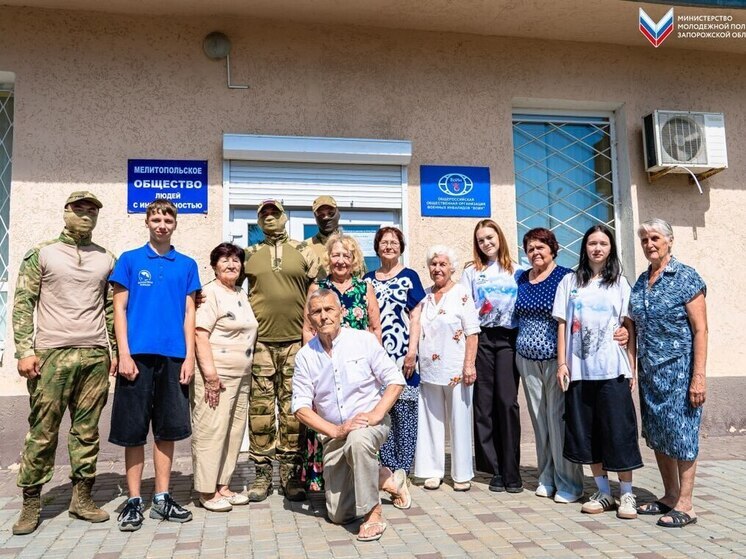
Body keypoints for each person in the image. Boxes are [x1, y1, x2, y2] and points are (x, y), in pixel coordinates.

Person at [11, 192, 116, 535]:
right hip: (51, 355)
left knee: (86, 432)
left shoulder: (106, 258)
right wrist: (24, 350)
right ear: (66, 212)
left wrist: (115, 351)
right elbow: (24, 302)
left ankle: (81, 498)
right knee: (43, 432)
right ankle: (31, 503)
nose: (85, 215)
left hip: (94, 355)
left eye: (92, 211)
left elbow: (111, 310)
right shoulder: (42, 253)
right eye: (79, 209)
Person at [109, 199, 201, 531]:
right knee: (133, 431)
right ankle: (134, 500)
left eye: (168, 220)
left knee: (167, 431)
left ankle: (162, 498)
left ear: (175, 224)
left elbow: (190, 313)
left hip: (174, 357)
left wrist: (189, 357)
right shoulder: (129, 260)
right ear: (147, 222)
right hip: (136, 357)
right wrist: (123, 353)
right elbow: (119, 310)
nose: (162, 225)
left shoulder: (187, 264)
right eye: (156, 219)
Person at [292, 289, 411, 542]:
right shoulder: (305, 356)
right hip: (335, 434)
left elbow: (395, 380)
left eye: (329, 309)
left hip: (369, 425)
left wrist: (376, 414)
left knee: (358, 441)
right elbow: (300, 408)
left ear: (341, 312)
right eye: (317, 312)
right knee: (338, 514)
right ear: (310, 318)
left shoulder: (363, 341)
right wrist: (336, 431)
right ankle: (384, 477)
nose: (324, 316)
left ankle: (373, 514)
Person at [553, 225, 642, 520]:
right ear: (585, 247)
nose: (597, 248)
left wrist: (632, 367)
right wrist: (562, 363)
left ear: (610, 248)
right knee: (587, 433)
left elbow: (629, 327)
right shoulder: (569, 281)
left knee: (619, 432)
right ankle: (603, 492)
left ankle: (626, 493)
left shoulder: (619, 283)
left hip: (613, 369)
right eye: (592, 243)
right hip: (580, 371)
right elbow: (562, 324)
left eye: (603, 243)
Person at [629, 218, 707, 528]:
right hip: (650, 373)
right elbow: (633, 323)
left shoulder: (686, 277)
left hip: (679, 372)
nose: (649, 244)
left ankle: (686, 505)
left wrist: (698, 376)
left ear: (670, 241)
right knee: (659, 434)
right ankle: (670, 495)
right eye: (645, 239)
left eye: (655, 238)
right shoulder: (641, 281)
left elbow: (701, 330)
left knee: (682, 435)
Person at [243, 199, 319, 502]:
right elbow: (230, 286)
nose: (270, 218)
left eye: (275, 213)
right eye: (264, 215)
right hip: (260, 344)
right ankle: (262, 475)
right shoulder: (249, 254)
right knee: (260, 412)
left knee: (292, 412)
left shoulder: (304, 251)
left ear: (284, 217)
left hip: (296, 344)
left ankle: (290, 475)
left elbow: (317, 290)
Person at [302, 233, 382, 491]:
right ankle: (329, 483)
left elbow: (375, 328)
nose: (340, 260)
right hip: (325, 364)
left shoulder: (364, 288)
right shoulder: (317, 288)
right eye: (335, 255)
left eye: (346, 256)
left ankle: (364, 482)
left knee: (358, 423)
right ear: (328, 258)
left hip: (357, 368)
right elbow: (308, 329)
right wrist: (311, 366)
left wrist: (375, 368)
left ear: (354, 259)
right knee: (327, 417)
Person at [514, 227, 584, 503]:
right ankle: (546, 477)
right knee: (539, 420)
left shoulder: (566, 277)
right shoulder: (522, 278)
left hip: (557, 359)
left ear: (553, 249)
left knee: (558, 421)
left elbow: (575, 315)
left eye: (540, 247)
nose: (535, 252)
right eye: (530, 248)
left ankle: (569, 483)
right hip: (526, 359)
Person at [192, 243, 258, 512]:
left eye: (236, 260)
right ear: (214, 266)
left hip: (242, 376)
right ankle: (206, 491)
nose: (231, 265)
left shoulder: (241, 293)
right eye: (224, 260)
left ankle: (223, 486)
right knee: (212, 431)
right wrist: (210, 375)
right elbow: (200, 334)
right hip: (217, 376)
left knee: (233, 431)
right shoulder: (209, 293)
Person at [460, 219, 523, 493]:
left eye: (490, 237)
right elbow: (464, 309)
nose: (486, 243)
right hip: (482, 339)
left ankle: (511, 470)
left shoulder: (518, 271)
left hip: (508, 339)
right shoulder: (471, 272)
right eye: (481, 240)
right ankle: (495, 470)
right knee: (484, 405)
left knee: (507, 403)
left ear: (500, 237)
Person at [414, 245, 480, 491]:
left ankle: (461, 474)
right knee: (430, 421)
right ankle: (432, 471)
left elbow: (472, 333)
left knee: (459, 421)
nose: (437, 268)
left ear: (452, 267)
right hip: (428, 369)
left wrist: (469, 364)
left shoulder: (462, 293)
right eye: (433, 264)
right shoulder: (424, 296)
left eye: (442, 264)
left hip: (456, 368)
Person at [364, 227, 425, 484]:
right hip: (376, 357)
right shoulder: (367, 279)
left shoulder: (410, 276)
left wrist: (412, 352)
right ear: (377, 247)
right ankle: (387, 469)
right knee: (382, 412)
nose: (389, 246)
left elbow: (416, 318)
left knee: (405, 412)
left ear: (401, 247)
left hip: (402, 355)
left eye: (394, 242)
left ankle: (404, 469)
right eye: (384, 242)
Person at [306, 195, 342, 278]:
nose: (326, 218)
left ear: (338, 214)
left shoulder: (350, 246)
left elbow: (361, 278)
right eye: (321, 215)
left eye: (330, 213)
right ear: (315, 217)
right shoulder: (305, 248)